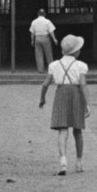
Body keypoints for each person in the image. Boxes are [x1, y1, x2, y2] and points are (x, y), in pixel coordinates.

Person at [38, 35, 90, 175]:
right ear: (76, 52)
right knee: (78, 130)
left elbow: (45, 84)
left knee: (62, 130)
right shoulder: (81, 66)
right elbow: (83, 84)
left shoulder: (54, 65)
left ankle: (63, 161)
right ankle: (79, 162)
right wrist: (87, 104)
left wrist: (42, 98)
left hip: (60, 94)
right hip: (76, 94)